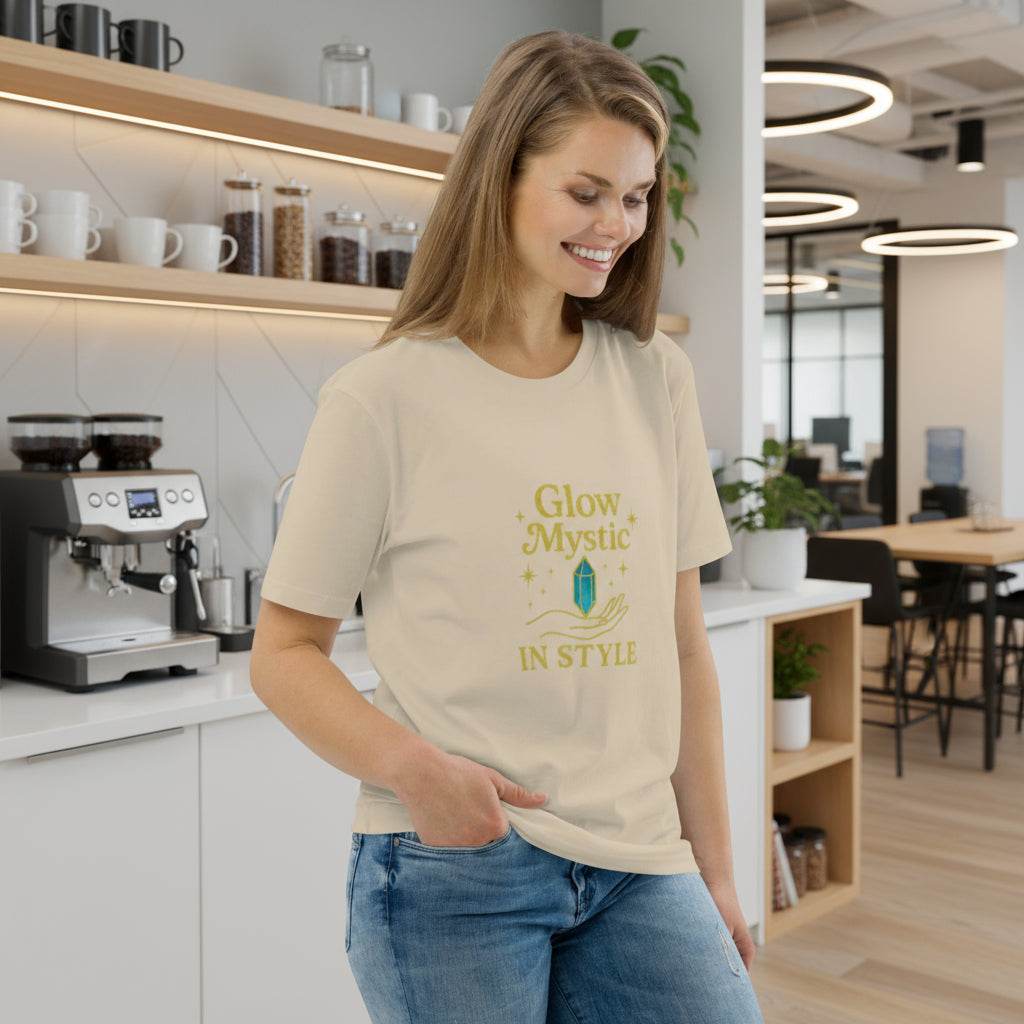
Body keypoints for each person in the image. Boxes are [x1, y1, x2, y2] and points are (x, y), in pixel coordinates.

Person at [251, 28, 764, 1024]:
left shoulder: (654, 377)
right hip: (458, 867)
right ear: (500, 178)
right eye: (585, 192)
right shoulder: (382, 396)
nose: (614, 223)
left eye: (635, 194)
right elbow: (284, 653)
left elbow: (682, 645)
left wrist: (717, 873)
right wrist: (415, 772)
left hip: (638, 859)